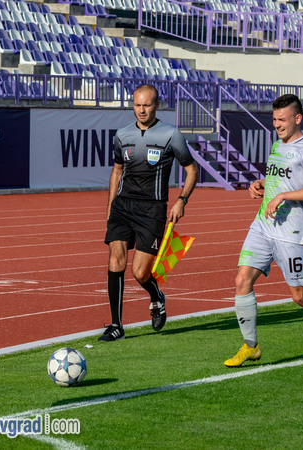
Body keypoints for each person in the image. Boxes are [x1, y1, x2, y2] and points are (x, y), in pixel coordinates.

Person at [224, 94, 303, 367]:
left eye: (282, 120)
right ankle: (250, 346)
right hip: (264, 225)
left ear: (298, 119)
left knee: (299, 296)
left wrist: (283, 196)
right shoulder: (277, 145)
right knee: (242, 280)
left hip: (292, 232)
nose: (277, 125)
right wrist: (261, 184)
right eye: (274, 119)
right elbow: (280, 180)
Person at [99, 84, 198, 341]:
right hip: (123, 206)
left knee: (140, 272)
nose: (141, 110)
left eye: (146, 105)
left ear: (156, 105)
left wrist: (181, 201)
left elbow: (191, 169)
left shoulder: (171, 134)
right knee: (115, 260)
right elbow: (117, 171)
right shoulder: (122, 135)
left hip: (152, 209)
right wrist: (110, 206)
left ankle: (156, 296)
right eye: (137, 105)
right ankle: (116, 325)